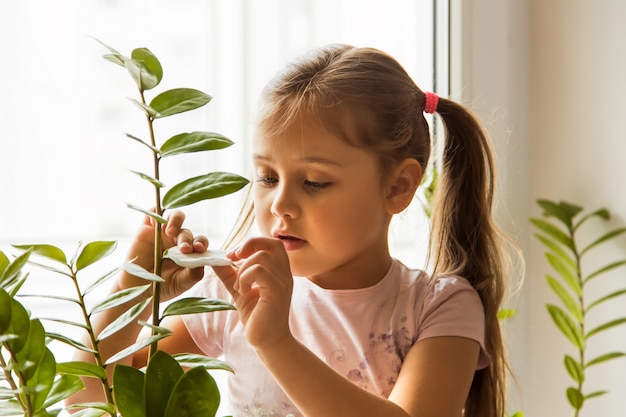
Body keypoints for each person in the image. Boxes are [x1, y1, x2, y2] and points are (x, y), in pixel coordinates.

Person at [74, 44, 517, 417]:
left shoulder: (438, 307)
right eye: (267, 178)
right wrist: (132, 288)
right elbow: (89, 398)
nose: (280, 204)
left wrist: (274, 340)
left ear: (399, 186)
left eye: (314, 183)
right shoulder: (230, 299)